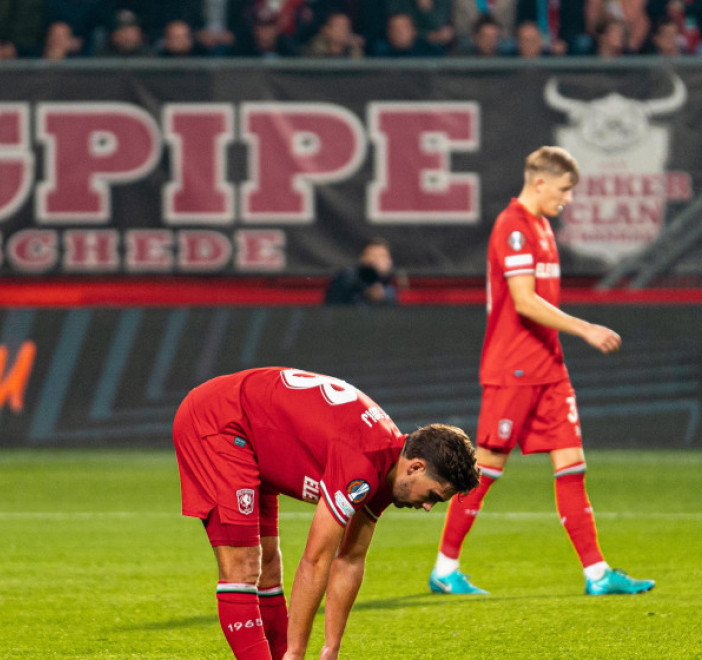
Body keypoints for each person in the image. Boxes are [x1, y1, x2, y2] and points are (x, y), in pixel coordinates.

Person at [427, 146, 655, 598]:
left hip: (549, 369)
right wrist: (585, 327)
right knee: (484, 470)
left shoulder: (543, 227)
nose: (568, 199)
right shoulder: (512, 227)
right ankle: (444, 569)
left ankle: (597, 574)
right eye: (565, 190)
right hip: (512, 370)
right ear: (540, 182)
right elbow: (525, 301)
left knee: (573, 466)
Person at [174, 367, 480, 660]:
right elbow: (316, 559)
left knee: (268, 564)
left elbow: (350, 559)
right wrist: (296, 653)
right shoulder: (363, 460)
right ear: (416, 467)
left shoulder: (389, 467)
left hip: (257, 437)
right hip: (219, 421)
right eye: (432, 496)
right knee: (241, 566)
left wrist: (330, 648)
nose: (427, 507)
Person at [324, 238, 398, 306]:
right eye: (373, 256)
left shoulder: (389, 291)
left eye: (383, 257)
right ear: (363, 259)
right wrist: (366, 289)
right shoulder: (346, 278)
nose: (378, 261)